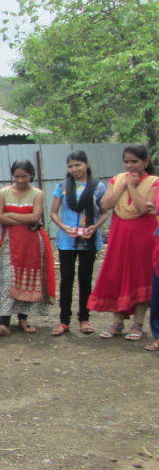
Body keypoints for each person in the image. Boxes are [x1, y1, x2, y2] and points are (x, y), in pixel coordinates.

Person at [89, 144, 159, 340]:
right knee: (117, 274)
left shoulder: (154, 182)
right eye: (126, 162)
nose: (130, 166)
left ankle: (138, 325)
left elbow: (143, 208)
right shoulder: (117, 179)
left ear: (145, 162)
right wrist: (122, 185)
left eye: (134, 161)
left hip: (143, 237)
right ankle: (117, 323)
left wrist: (132, 187)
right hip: (119, 235)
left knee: (141, 277)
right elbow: (105, 205)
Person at [0, 159, 56, 338]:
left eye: (24, 176)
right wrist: (22, 218)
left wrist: (10, 214)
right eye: (17, 176)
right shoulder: (4, 192)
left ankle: (23, 319)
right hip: (9, 242)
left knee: (25, 280)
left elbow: (35, 217)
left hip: (31, 243)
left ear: (31, 175)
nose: (20, 180)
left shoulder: (37, 194)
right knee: (7, 280)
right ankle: (3, 322)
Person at [49, 151, 109, 336]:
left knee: (85, 278)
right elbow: (53, 212)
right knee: (66, 279)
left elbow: (104, 213)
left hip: (89, 239)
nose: (74, 169)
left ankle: (84, 319)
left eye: (78, 165)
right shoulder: (62, 187)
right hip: (67, 240)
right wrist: (64, 227)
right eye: (71, 166)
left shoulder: (98, 187)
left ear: (87, 165)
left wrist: (95, 227)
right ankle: (64, 321)